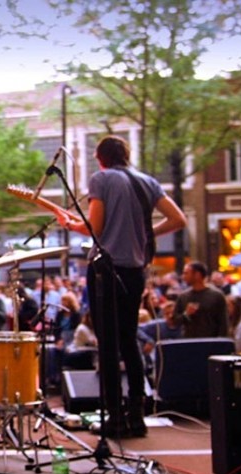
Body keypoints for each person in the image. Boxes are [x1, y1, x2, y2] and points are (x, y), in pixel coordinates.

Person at [57, 135, 186, 438]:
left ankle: (114, 417)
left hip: (105, 270)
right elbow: (178, 218)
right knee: (129, 341)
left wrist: (69, 224)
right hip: (134, 272)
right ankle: (136, 416)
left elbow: (95, 227)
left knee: (109, 344)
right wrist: (145, 233)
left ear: (100, 158)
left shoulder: (101, 178)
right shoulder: (147, 182)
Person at [173, 261, 229, 339]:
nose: (183, 276)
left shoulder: (217, 296)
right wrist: (186, 314)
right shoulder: (183, 297)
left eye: (186, 273)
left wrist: (220, 344)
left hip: (211, 343)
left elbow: (223, 323)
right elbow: (175, 321)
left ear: (197, 275)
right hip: (189, 343)